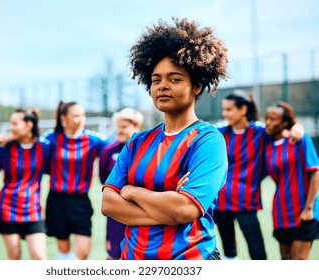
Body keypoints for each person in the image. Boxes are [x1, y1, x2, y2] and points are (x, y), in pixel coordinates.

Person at [101, 17, 229, 260]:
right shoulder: (137, 142)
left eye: (175, 78)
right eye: (155, 80)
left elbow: (184, 209)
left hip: (190, 260)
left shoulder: (208, 141)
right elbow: (108, 204)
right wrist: (167, 205)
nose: (162, 86)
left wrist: (132, 191)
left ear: (198, 85)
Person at [214, 90, 304, 260]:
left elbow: (286, 129)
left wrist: (297, 128)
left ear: (242, 109)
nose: (224, 113)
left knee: (257, 251)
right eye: (223, 110)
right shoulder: (219, 133)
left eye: (228, 109)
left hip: (247, 201)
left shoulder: (261, 132)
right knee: (229, 251)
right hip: (222, 201)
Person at [44, 101, 109, 260]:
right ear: (64, 118)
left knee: (83, 251)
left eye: (82, 115)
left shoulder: (94, 139)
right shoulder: (51, 138)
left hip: (80, 201)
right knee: (63, 247)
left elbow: (116, 149)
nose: (80, 119)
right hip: (56, 200)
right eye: (75, 116)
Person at [0, 108, 50, 260]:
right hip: (7, 208)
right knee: (14, 258)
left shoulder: (44, 147)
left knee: (40, 258)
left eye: (15, 123)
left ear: (28, 125)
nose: (11, 127)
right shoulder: (5, 147)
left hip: (33, 209)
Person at [263, 102, 319, 260]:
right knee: (286, 261)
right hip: (281, 213)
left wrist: (308, 208)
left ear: (285, 123)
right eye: (266, 118)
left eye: (273, 119)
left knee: (298, 262)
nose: (268, 122)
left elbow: (315, 173)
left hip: (304, 211)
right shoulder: (268, 146)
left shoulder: (300, 139)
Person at [98, 108, 144, 260]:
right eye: (118, 127)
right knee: (115, 255)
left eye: (124, 127)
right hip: (117, 214)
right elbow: (103, 179)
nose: (119, 131)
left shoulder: (147, 150)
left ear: (136, 126)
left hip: (143, 211)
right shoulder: (108, 151)